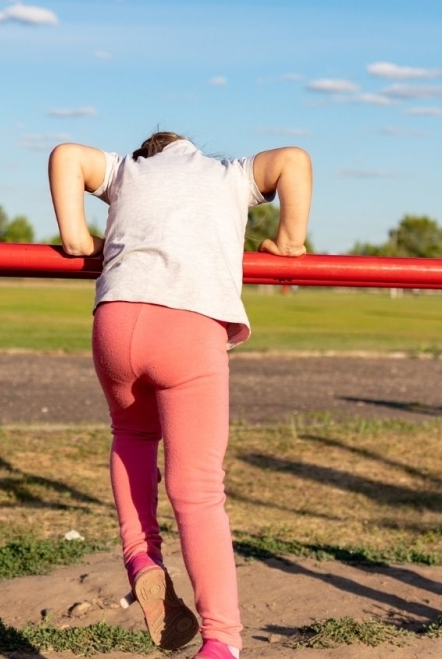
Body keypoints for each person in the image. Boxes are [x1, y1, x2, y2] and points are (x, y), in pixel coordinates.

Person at [48, 131, 312, 659]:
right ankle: (221, 640)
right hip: (189, 330)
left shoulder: (126, 170)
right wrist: (289, 239)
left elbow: (66, 155)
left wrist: (77, 238)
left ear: (146, 154)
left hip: (116, 322)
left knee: (132, 435)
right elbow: (293, 159)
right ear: (190, 150)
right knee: (197, 490)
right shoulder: (228, 173)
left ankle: (141, 558)